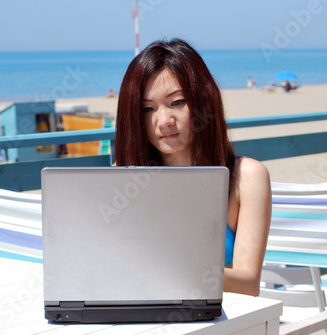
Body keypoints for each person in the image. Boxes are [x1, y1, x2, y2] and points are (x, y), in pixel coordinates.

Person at [114, 39, 271, 296]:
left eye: (177, 102)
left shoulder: (247, 178)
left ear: (203, 101)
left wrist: (164, 271)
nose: (164, 121)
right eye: (147, 109)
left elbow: (248, 283)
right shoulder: (124, 175)